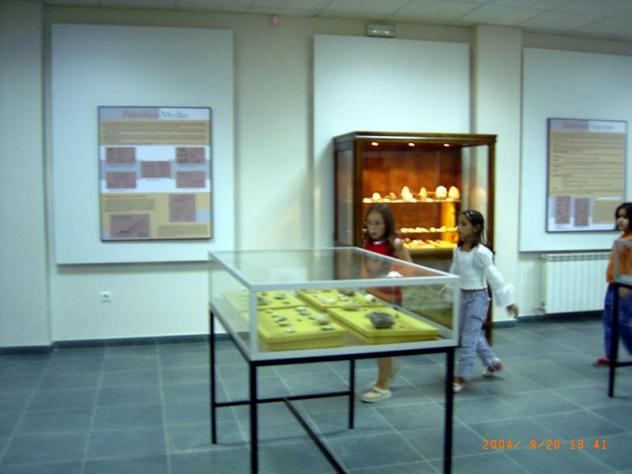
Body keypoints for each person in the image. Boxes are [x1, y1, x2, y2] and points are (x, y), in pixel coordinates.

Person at [449, 210, 518, 393]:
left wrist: (509, 301)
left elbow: (495, 278)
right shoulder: (458, 250)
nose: (459, 227)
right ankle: (492, 361)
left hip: (477, 299)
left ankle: (462, 375)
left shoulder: (481, 253)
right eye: (459, 223)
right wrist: (447, 291)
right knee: (469, 333)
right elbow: (453, 273)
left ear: (476, 228)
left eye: (464, 224)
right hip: (462, 296)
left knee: (469, 338)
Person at [360, 203, 412, 403]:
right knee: (377, 341)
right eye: (369, 223)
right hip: (373, 297)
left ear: (387, 224)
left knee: (383, 342)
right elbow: (365, 270)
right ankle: (390, 369)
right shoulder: (367, 242)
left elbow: (409, 269)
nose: (372, 228)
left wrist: (392, 275)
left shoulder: (395, 243)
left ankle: (383, 386)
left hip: (390, 299)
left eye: (377, 223)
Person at [595, 202, 632, 366]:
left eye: (625, 217)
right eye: (619, 217)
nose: (620, 220)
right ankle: (611, 355)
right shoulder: (622, 238)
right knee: (609, 321)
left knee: (621, 322)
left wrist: (627, 285)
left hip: (626, 287)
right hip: (613, 285)